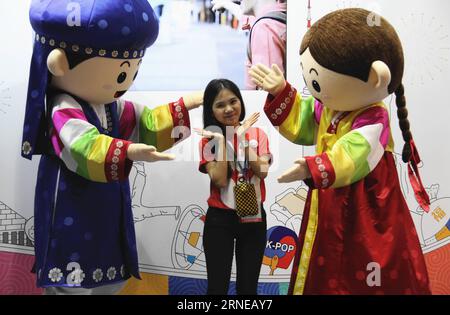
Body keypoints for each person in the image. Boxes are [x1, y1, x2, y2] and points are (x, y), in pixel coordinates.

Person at [22, 0, 202, 294]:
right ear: (59, 63)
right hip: (70, 200)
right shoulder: (62, 106)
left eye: (132, 71)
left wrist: (186, 106)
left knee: (110, 271)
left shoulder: (110, 106)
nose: (126, 82)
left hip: (104, 202)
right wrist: (128, 150)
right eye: (121, 74)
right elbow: (82, 144)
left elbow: (146, 122)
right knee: (71, 277)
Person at [249, 8, 431, 295]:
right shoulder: (330, 107)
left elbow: (353, 153)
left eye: (317, 82)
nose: (313, 88)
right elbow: (304, 120)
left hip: (364, 208)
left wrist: (313, 167)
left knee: (359, 266)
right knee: (327, 262)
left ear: (375, 77)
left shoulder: (374, 119)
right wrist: (281, 91)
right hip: (331, 200)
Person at [196, 79, 272, 294]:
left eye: (233, 101)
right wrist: (222, 141)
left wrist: (241, 138)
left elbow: (262, 171)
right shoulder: (209, 140)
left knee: (248, 290)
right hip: (220, 220)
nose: (229, 109)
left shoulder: (258, 135)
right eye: (220, 105)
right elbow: (219, 180)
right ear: (211, 111)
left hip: (254, 219)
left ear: (240, 101)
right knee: (217, 288)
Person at [211, 0, 286, 90]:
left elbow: (268, 94)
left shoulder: (264, 28)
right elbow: (253, 19)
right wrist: (227, 4)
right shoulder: (277, 17)